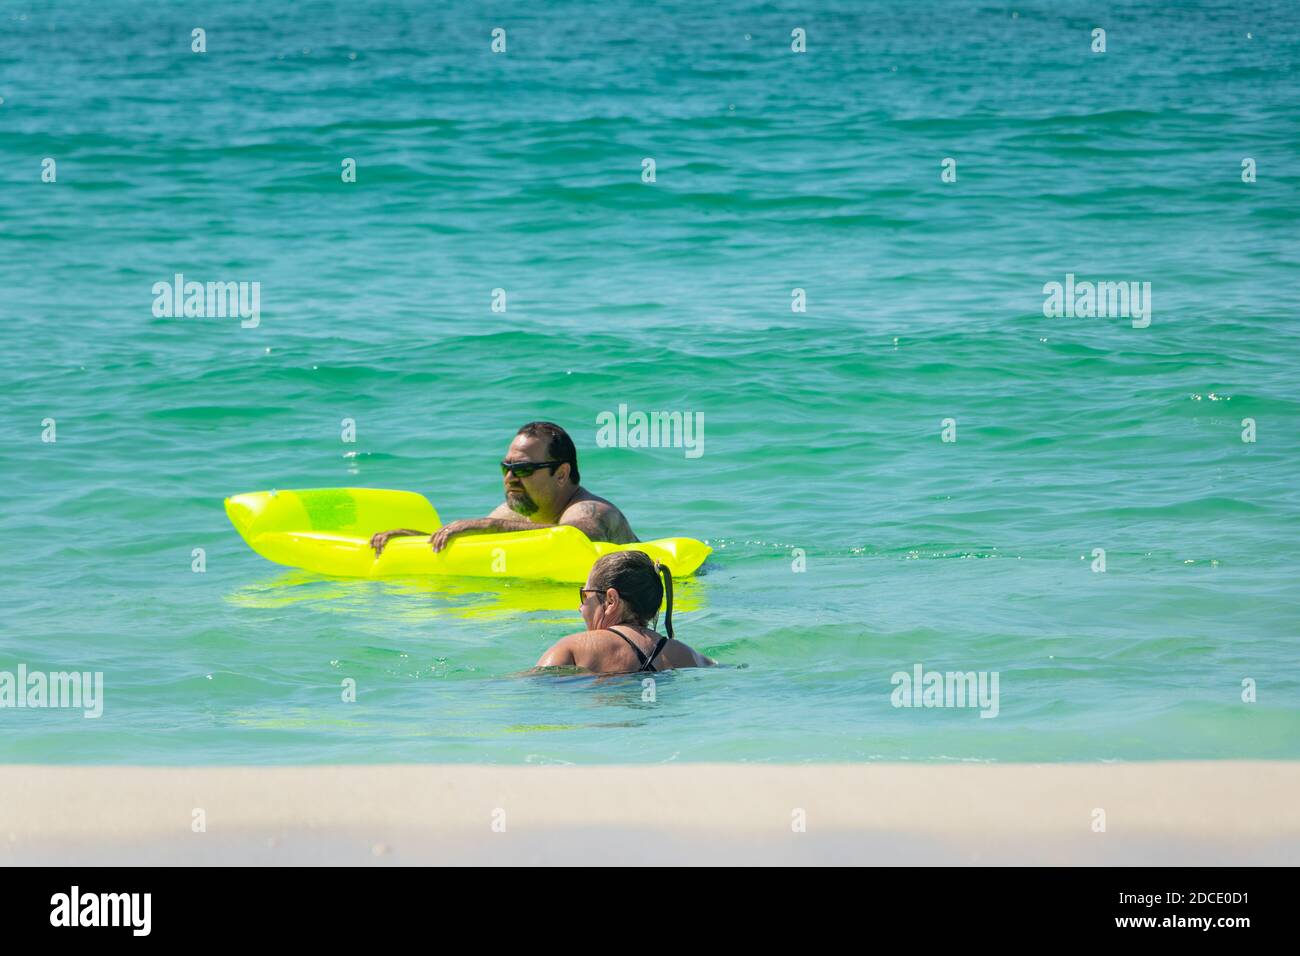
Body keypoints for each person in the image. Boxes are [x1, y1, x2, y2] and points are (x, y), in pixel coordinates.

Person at [370, 421, 638, 554]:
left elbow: (579, 536)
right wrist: (410, 539)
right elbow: (467, 539)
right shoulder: (514, 515)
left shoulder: (590, 509)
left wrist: (490, 527)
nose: (510, 478)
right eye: (505, 468)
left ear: (561, 473)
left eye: (522, 469)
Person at [534, 551, 714, 674]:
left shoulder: (573, 648)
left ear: (611, 600)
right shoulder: (685, 654)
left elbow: (533, 689)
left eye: (584, 596)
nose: (580, 607)